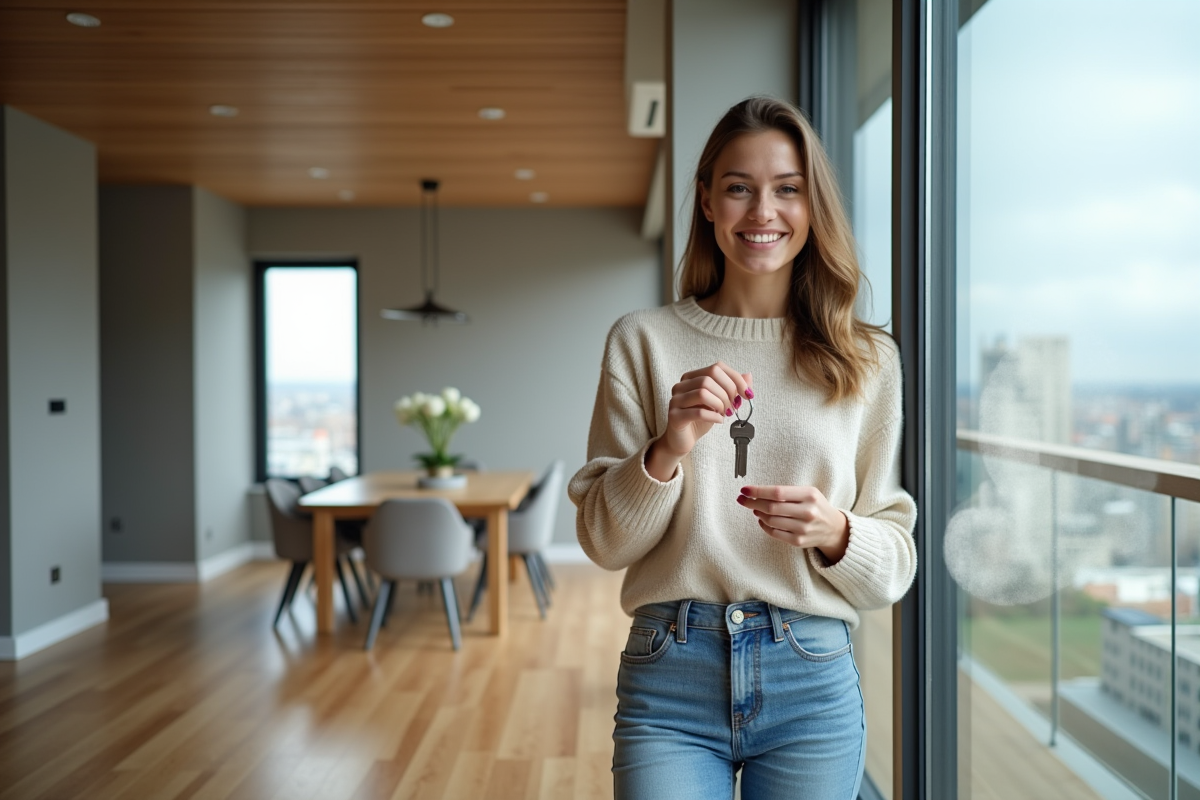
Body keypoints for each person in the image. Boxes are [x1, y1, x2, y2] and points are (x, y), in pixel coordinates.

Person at [568, 96, 918, 800]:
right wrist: (668, 448)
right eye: (739, 188)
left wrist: (837, 533)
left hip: (811, 679)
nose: (763, 212)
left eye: (787, 189)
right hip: (671, 670)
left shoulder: (868, 358)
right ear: (706, 201)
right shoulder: (642, 340)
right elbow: (605, 543)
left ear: (813, 205)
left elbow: (894, 567)